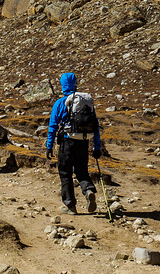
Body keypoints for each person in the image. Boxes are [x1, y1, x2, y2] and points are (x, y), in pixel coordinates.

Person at [45, 72, 102, 214]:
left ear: (63, 85)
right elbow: (95, 125)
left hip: (66, 143)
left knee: (65, 173)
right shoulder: (86, 104)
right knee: (82, 171)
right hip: (83, 142)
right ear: (75, 84)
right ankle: (88, 190)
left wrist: (49, 146)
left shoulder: (60, 103)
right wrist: (97, 147)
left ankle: (70, 205)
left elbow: (53, 126)